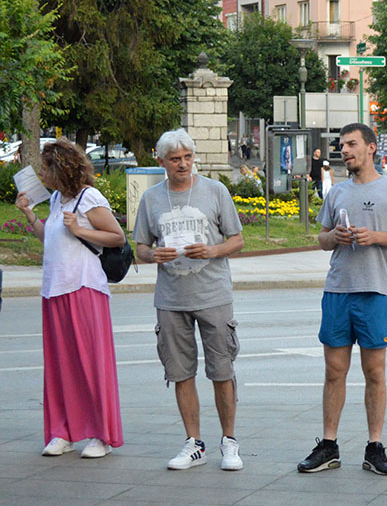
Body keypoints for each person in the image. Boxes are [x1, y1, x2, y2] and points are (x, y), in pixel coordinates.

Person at [297, 122, 387, 476]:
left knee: (374, 372)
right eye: (341, 145)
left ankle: (375, 447)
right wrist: (334, 236)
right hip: (338, 290)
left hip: (375, 290)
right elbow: (321, 239)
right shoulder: (336, 193)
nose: (345, 151)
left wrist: (376, 236)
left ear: (370, 148)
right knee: (334, 371)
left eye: (351, 144)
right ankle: (328, 445)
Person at [133, 128, 246, 472]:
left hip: (213, 294)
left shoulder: (215, 191)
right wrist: (155, 255)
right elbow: (139, 248)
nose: (183, 165)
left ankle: (229, 441)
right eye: (175, 159)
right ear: (161, 161)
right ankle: (194, 443)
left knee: (222, 370)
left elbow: (238, 240)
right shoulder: (151, 199)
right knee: (181, 372)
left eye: (187, 157)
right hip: (171, 298)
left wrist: (212, 250)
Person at [15, 139, 127, 459]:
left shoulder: (88, 197)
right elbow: (50, 238)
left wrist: (81, 230)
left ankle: (100, 434)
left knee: (91, 364)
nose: (41, 173)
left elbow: (116, 236)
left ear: (60, 168)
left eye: (45, 167)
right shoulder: (55, 199)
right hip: (54, 289)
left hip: (84, 287)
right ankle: (62, 431)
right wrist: (28, 215)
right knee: (60, 365)